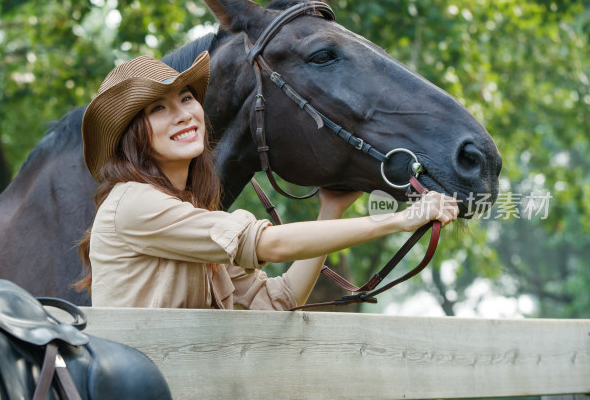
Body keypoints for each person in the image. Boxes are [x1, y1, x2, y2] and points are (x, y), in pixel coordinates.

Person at [76, 51, 458, 309]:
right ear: (133, 135)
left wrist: (331, 210)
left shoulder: (189, 217)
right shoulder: (132, 204)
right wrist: (398, 220)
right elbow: (269, 245)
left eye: (187, 98)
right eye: (158, 108)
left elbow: (281, 299)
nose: (182, 115)